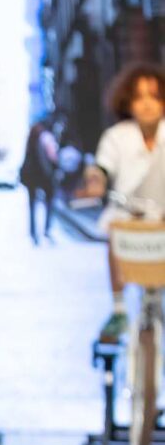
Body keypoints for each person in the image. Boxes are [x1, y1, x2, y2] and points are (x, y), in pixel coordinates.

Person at [83, 62, 165, 344]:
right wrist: (95, 181)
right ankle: (118, 307)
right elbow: (101, 167)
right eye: (139, 97)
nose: (147, 104)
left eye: (154, 96)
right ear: (127, 101)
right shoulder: (116, 136)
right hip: (127, 214)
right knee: (114, 234)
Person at [19, 115, 59, 244]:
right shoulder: (46, 137)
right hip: (44, 175)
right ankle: (46, 229)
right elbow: (53, 156)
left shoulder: (30, 139)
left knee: (32, 205)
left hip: (31, 177)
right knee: (49, 201)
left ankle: (33, 233)